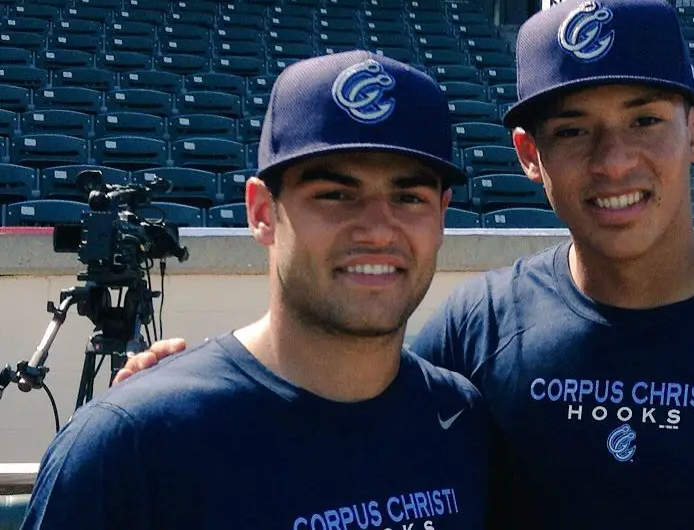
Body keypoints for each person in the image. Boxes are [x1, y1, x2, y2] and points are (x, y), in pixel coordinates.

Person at [114, 0, 694, 529]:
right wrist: (176, 397)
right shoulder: (475, 332)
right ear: (530, 155)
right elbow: (345, 410)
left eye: (644, 120)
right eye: (573, 132)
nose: (612, 162)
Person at [21, 51, 490, 529]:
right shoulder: (131, 445)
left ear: (441, 217)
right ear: (262, 212)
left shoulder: (461, 419)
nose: (377, 229)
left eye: (409, 197)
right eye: (335, 194)